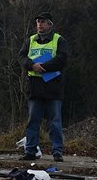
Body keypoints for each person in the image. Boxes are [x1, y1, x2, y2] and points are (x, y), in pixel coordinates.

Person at [18, 12, 68, 162]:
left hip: (53, 86)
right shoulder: (30, 40)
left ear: (50, 25)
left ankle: (57, 151)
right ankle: (31, 150)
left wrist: (43, 67)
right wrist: (32, 65)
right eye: (38, 21)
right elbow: (21, 57)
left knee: (55, 121)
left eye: (43, 22)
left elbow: (62, 59)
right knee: (33, 121)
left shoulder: (59, 40)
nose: (39, 24)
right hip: (35, 87)